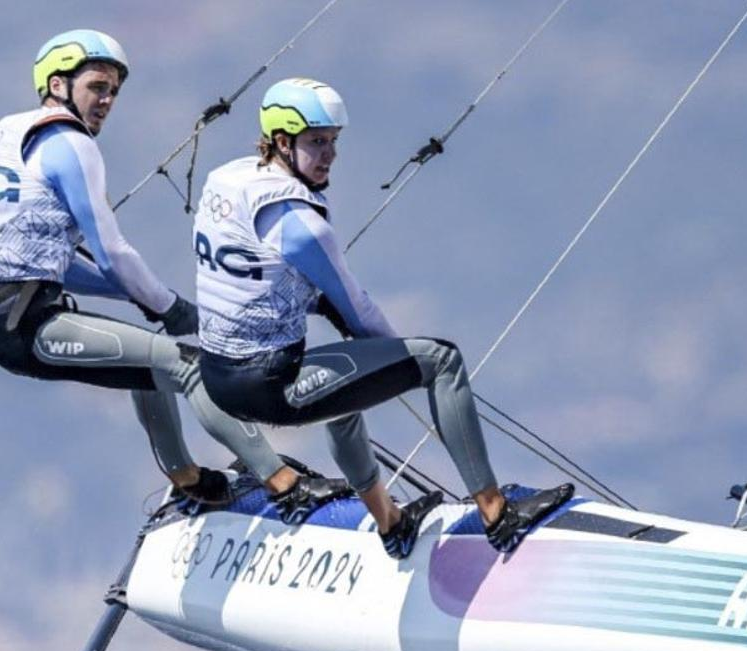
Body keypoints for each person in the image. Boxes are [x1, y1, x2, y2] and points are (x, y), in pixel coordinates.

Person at [0, 30, 350, 517]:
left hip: (7, 320)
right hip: (28, 324)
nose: (107, 100)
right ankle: (285, 485)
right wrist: (172, 307)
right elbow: (112, 253)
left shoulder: (7, 132)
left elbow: (48, 264)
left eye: (114, 92)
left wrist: (147, 300)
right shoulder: (69, 142)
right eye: (98, 86)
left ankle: (189, 479)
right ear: (58, 84)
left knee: (145, 363)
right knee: (187, 362)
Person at [194, 77, 574, 559]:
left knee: (342, 385)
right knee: (440, 360)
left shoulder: (227, 181)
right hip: (272, 388)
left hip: (218, 377)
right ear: (282, 142)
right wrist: (398, 364)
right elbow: (359, 309)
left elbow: (253, 276)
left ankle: (391, 521)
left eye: (334, 141)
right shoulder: (303, 226)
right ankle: (497, 513)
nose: (330, 154)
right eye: (317, 142)